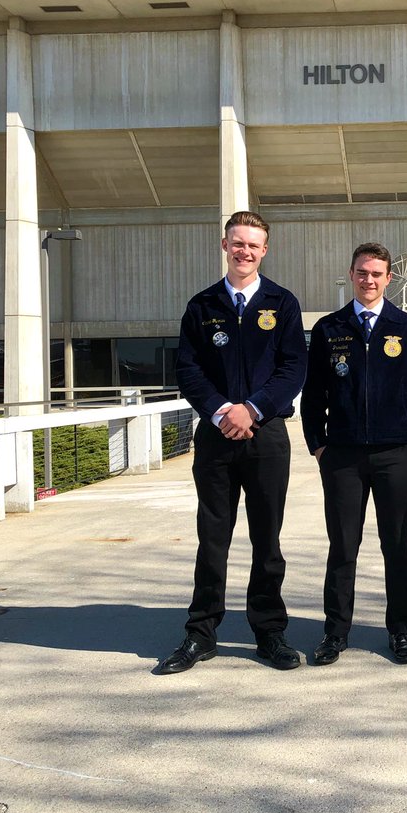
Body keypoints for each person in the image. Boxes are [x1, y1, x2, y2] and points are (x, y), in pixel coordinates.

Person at [158, 211, 307, 675]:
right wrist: (223, 411)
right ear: (225, 245)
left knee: (267, 539)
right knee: (213, 537)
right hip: (217, 436)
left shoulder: (282, 303)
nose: (245, 251)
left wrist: (253, 409)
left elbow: (293, 368)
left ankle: (269, 632)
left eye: (253, 245)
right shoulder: (202, 306)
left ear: (265, 251)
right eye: (237, 243)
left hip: (267, 436)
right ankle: (201, 634)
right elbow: (189, 370)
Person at [301, 243, 407, 666]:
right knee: (343, 545)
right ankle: (335, 632)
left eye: (377, 274)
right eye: (362, 272)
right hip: (342, 455)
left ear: (389, 279)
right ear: (351, 273)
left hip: (396, 453)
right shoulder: (330, 328)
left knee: (396, 544)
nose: (369, 280)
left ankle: (400, 631)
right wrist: (319, 444)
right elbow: (314, 394)